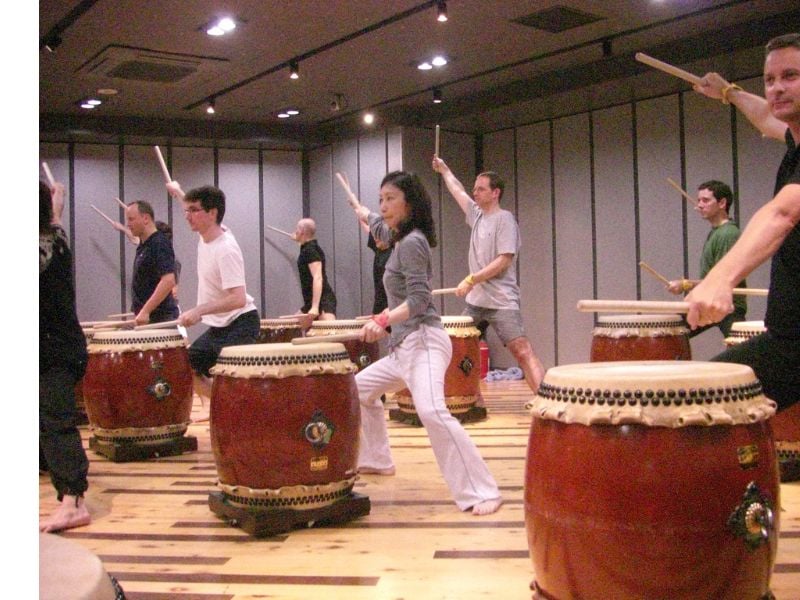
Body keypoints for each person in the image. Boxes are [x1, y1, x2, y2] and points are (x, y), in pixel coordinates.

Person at [344, 170, 502, 515]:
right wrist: (361, 209)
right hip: (403, 349)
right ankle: (377, 458)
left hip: (425, 341)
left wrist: (382, 319)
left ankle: (482, 491)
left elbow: (417, 300)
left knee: (431, 411)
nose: (382, 205)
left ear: (409, 203)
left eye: (390, 199)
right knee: (358, 390)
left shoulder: (412, 242)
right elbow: (375, 225)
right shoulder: (396, 237)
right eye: (381, 198)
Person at [686, 32, 800, 411]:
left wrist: (721, 279)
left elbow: (783, 213)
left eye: (791, 76)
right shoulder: (794, 140)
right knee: (703, 396)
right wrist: (728, 92)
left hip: (793, 344)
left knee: (705, 399)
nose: (777, 89)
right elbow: (768, 118)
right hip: (789, 340)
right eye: (770, 80)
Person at [432, 157, 545, 393]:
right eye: (475, 189)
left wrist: (472, 279)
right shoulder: (477, 215)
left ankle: (547, 404)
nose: (475, 193)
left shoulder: (505, 220)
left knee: (522, 351)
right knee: (455, 346)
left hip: (501, 301)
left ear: (495, 193)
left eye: (481, 189)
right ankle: (467, 397)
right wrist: (444, 169)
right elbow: (458, 190)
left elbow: (504, 260)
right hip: (476, 303)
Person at [165, 182, 260, 404]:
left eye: (194, 211)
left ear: (213, 213)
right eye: (187, 211)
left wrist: (200, 310)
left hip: (241, 322)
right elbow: (191, 208)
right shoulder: (207, 232)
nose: (188, 216)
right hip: (220, 327)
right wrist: (179, 192)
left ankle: (242, 411)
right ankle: (227, 405)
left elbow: (237, 298)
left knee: (231, 376)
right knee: (186, 368)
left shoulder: (226, 249)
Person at [39, 180, 91, 532]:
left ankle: (73, 500)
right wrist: (57, 199)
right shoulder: (55, 238)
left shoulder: (40, 251)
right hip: (58, 346)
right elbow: (54, 219)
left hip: (54, 350)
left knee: (57, 421)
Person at [666, 180, 746, 337]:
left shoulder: (727, 234)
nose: (700, 205)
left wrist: (685, 285)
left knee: (671, 333)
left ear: (722, 203)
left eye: (706, 200)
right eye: (699, 201)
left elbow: (721, 280)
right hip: (714, 301)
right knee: (671, 333)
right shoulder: (717, 232)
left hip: (727, 305)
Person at [125, 201, 178, 326]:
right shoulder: (143, 246)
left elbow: (168, 281)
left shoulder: (159, 243)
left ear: (146, 218)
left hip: (161, 318)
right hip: (148, 318)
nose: (128, 224)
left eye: (131, 219)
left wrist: (145, 311)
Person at [293, 218, 337, 320]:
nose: (295, 231)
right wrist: (299, 240)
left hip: (322, 301)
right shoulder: (309, 247)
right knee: (291, 328)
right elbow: (304, 242)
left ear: (302, 231)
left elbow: (318, 277)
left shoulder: (310, 250)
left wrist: (315, 307)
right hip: (311, 302)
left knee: (328, 333)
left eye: (297, 229)